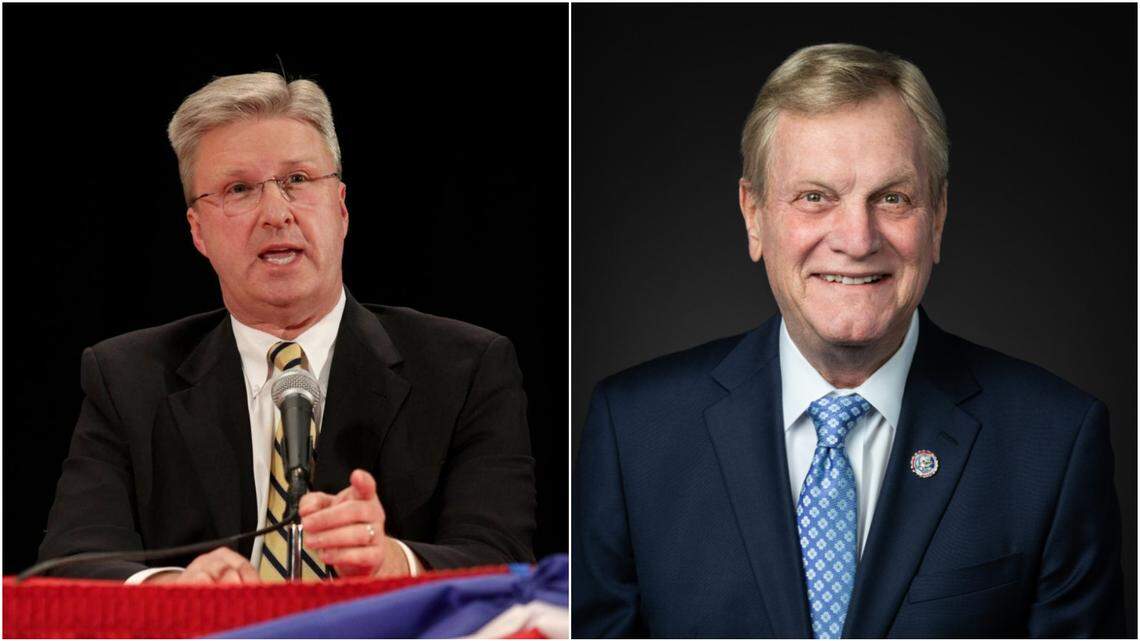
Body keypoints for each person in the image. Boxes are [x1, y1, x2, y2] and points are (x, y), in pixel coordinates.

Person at [572, 44, 1125, 637]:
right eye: (816, 197)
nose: (857, 240)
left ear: (936, 219)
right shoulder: (633, 431)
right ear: (753, 216)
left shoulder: (1054, 444)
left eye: (893, 198)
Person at [38, 72, 536, 584]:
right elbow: (72, 562)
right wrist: (173, 593)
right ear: (197, 232)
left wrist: (391, 563)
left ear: (340, 208)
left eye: (297, 180)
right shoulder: (127, 379)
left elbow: (503, 557)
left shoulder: (467, 368)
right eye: (239, 189)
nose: (276, 213)